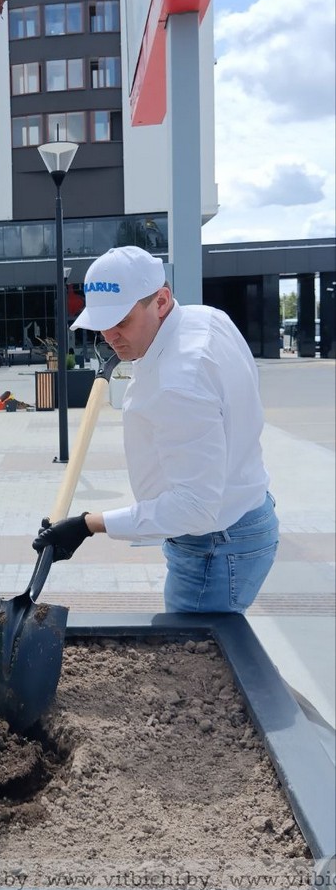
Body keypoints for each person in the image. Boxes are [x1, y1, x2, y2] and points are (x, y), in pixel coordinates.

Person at [33, 246, 278, 614]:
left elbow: (195, 508)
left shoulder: (180, 383)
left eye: (122, 321)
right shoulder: (207, 319)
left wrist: (87, 525)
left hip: (215, 545)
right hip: (241, 514)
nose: (110, 335)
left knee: (191, 662)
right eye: (102, 323)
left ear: (161, 301)